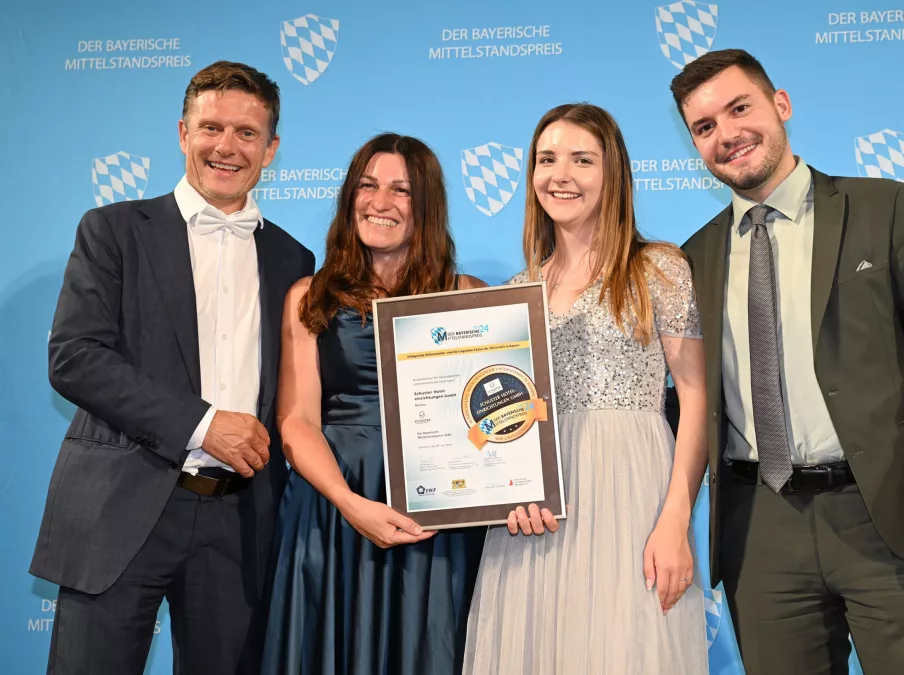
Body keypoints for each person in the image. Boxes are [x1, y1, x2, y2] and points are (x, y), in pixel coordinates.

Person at [672, 49, 904, 674]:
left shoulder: (884, 207)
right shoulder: (693, 258)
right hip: (759, 531)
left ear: (781, 104)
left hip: (893, 515)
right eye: (705, 126)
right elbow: (686, 398)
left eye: (739, 108)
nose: (727, 134)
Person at [32, 61, 315, 675]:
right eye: (212, 127)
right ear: (184, 133)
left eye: (247, 133)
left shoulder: (293, 258)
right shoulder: (113, 230)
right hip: (120, 508)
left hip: (241, 523)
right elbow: (75, 357)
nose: (226, 146)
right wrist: (203, 425)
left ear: (271, 149)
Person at [464, 103, 709, 675]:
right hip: (536, 515)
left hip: (631, 500)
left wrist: (676, 519)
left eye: (582, 160)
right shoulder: (515, 291)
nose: (561, 175)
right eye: (546, 159)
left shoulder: (659, 270)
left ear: (612, 172)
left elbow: (696, 399)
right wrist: (506, 495)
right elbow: (501, 423)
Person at [262, 133, 487, 675]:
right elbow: (296, 421)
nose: (380, 202)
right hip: (333, 505)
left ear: (426, 206)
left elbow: (491, 418)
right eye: (368, 185)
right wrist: (348, 502)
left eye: (401, 190)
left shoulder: (467, 295)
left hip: (434, 517)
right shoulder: (309, 296)